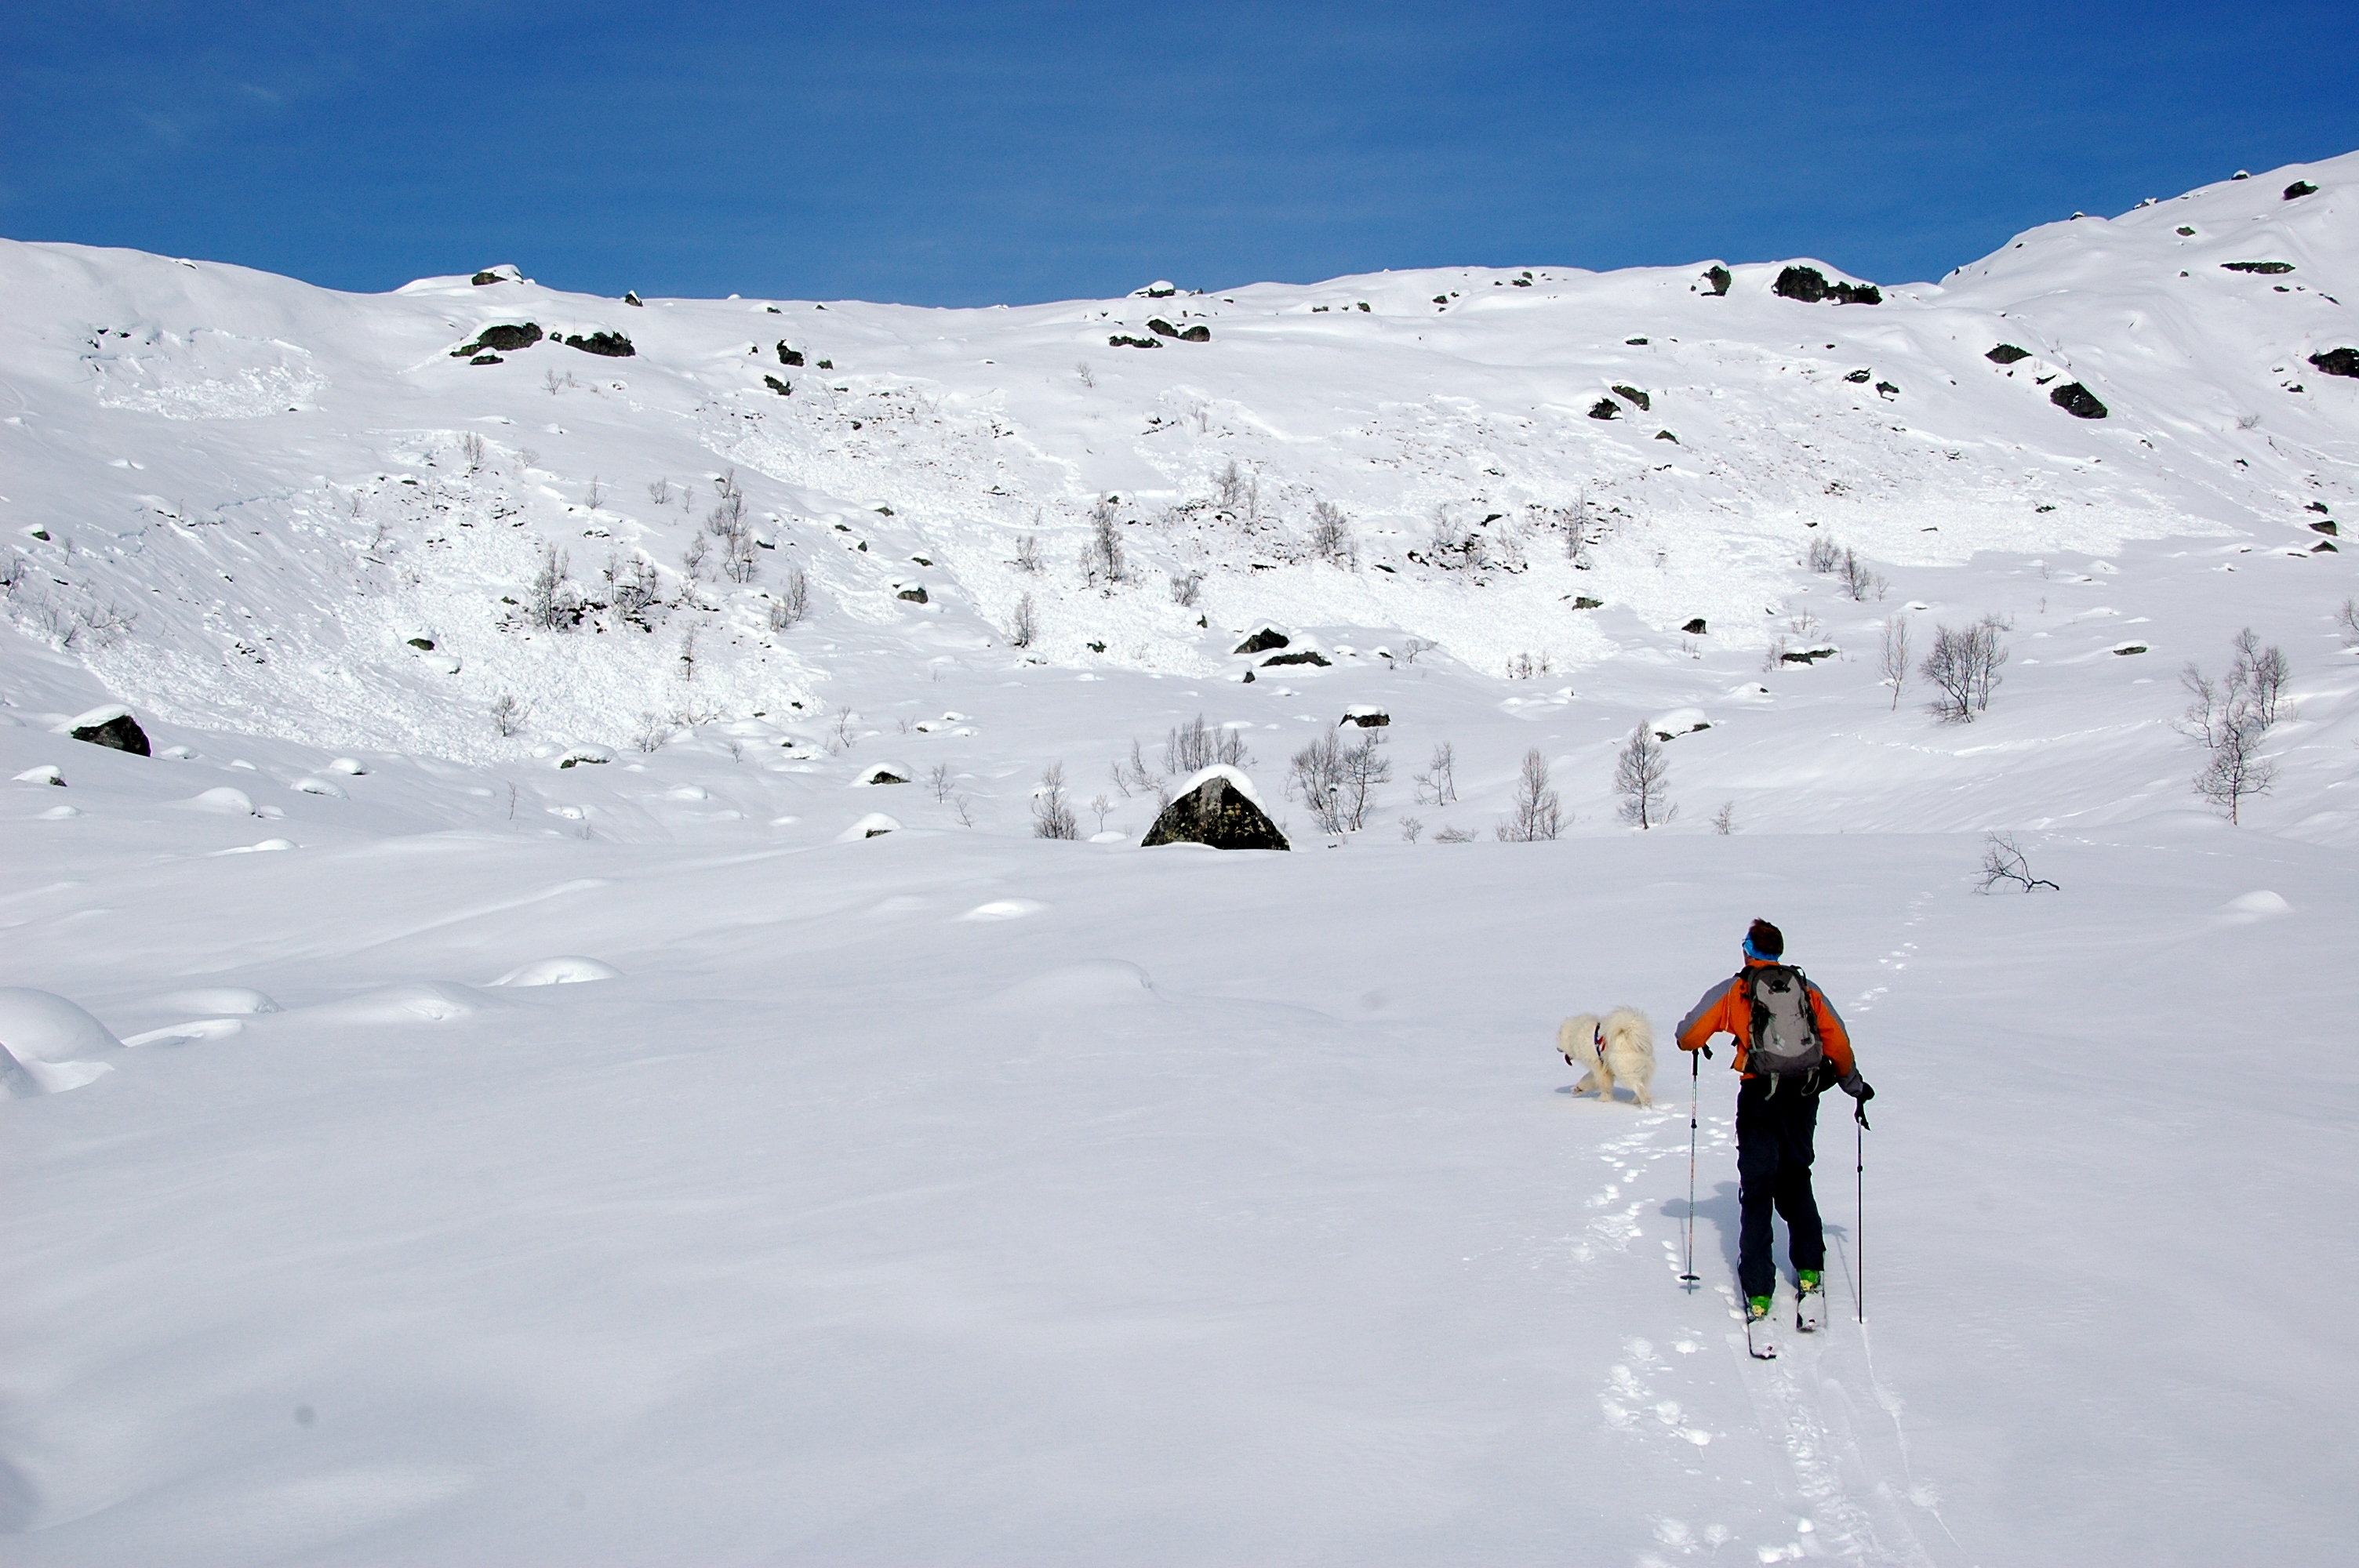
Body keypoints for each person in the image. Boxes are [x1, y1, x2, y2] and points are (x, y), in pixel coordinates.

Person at [1676, 917, 1874, 1322]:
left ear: (1748, 949)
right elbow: (1836, 1038)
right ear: (1778, 951)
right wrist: (1852, 1084)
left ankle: (1760, 1289)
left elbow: (1689, 1036)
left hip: (1760, 1098)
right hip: (1803, 1095)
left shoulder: (1738, 989)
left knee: (1758, 1187)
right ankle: (1808, 1270)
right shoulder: (1805, 988)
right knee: (1797, 1177)